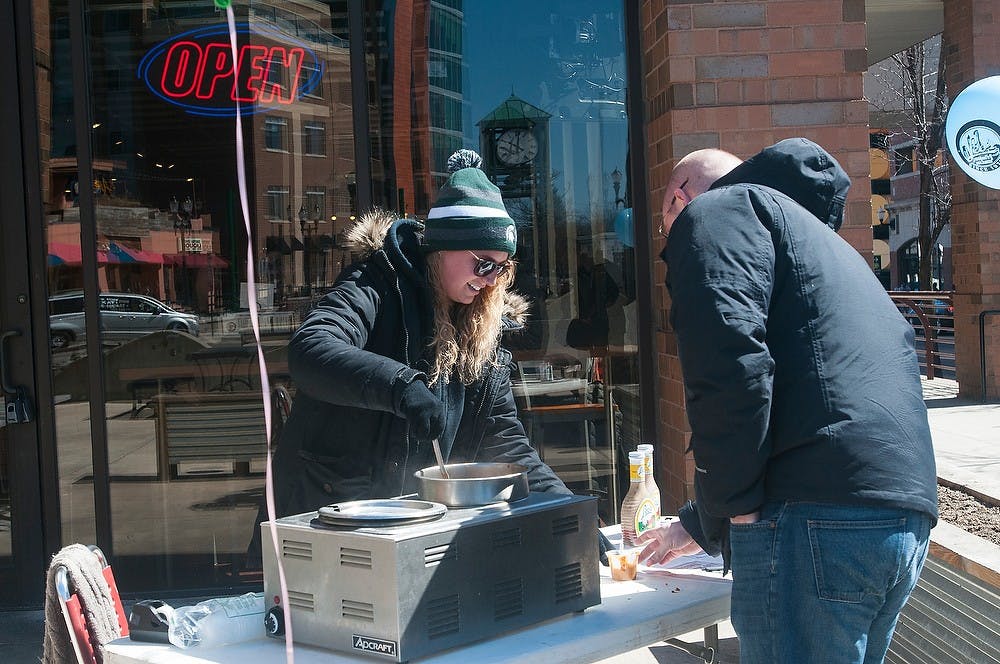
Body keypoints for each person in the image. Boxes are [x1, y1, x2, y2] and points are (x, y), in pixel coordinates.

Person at [637, 138, 937, 664]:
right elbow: (812, 395)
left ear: (679, 199)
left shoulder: (714, 214)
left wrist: (740, 515)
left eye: (667, 228)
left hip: (813, 524)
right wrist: (698, 524)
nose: (673, 236)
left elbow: (730, 364)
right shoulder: (824, 247)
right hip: (899, 520)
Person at [272, 149, 570, 517]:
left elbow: (509, 447)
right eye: (482, 264)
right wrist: (400, 385)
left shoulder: (482, 330)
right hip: (328, 513)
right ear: (443, 250)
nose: (491, 280)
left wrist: (571, 511)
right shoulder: (377, 284)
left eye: (501, 268)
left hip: (415, 518)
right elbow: (310, 349)